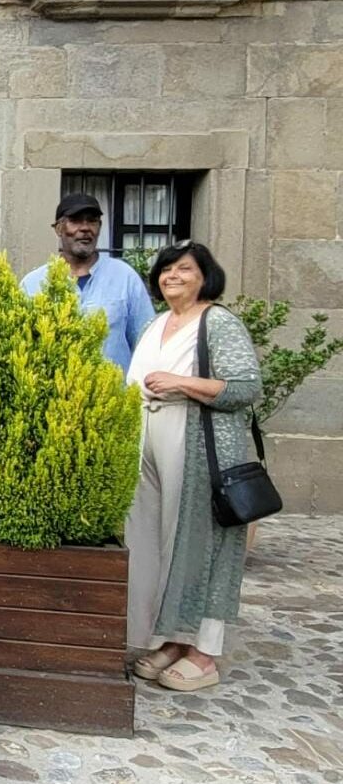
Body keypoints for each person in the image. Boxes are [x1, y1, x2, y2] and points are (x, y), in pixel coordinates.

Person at [126, 242, 260, 693]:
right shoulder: (156, 322)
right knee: (156, 541)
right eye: (166, 270)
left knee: (202, 544)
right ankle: (170, 638)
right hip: (149, 440)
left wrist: (181, 383)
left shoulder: (218, 322)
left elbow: (245, 386)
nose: (172, 276)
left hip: (200, 444)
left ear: (205, 277)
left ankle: (203, 652)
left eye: (184, 269)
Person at [21, 192, 155, 372]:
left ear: (99, 227)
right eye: (75, 221)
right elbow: (21, 348)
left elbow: (147, 343)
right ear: (59, 229)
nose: (85, 228)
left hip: (112, 388)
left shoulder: (125, 278)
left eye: (92, 221)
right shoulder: (33, 284)